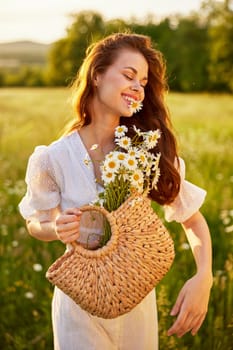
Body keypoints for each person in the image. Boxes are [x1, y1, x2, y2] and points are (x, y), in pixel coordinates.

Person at [19, 33, 213, 350]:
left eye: (144, 81)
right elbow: (35, 223)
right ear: (97, 75)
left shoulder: (147, 150)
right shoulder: (53, 157)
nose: (138, 86)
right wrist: (56, 229)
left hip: (138, 300)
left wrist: (203, 277)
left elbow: (193, 221)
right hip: (78, 304)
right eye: (128, 75)